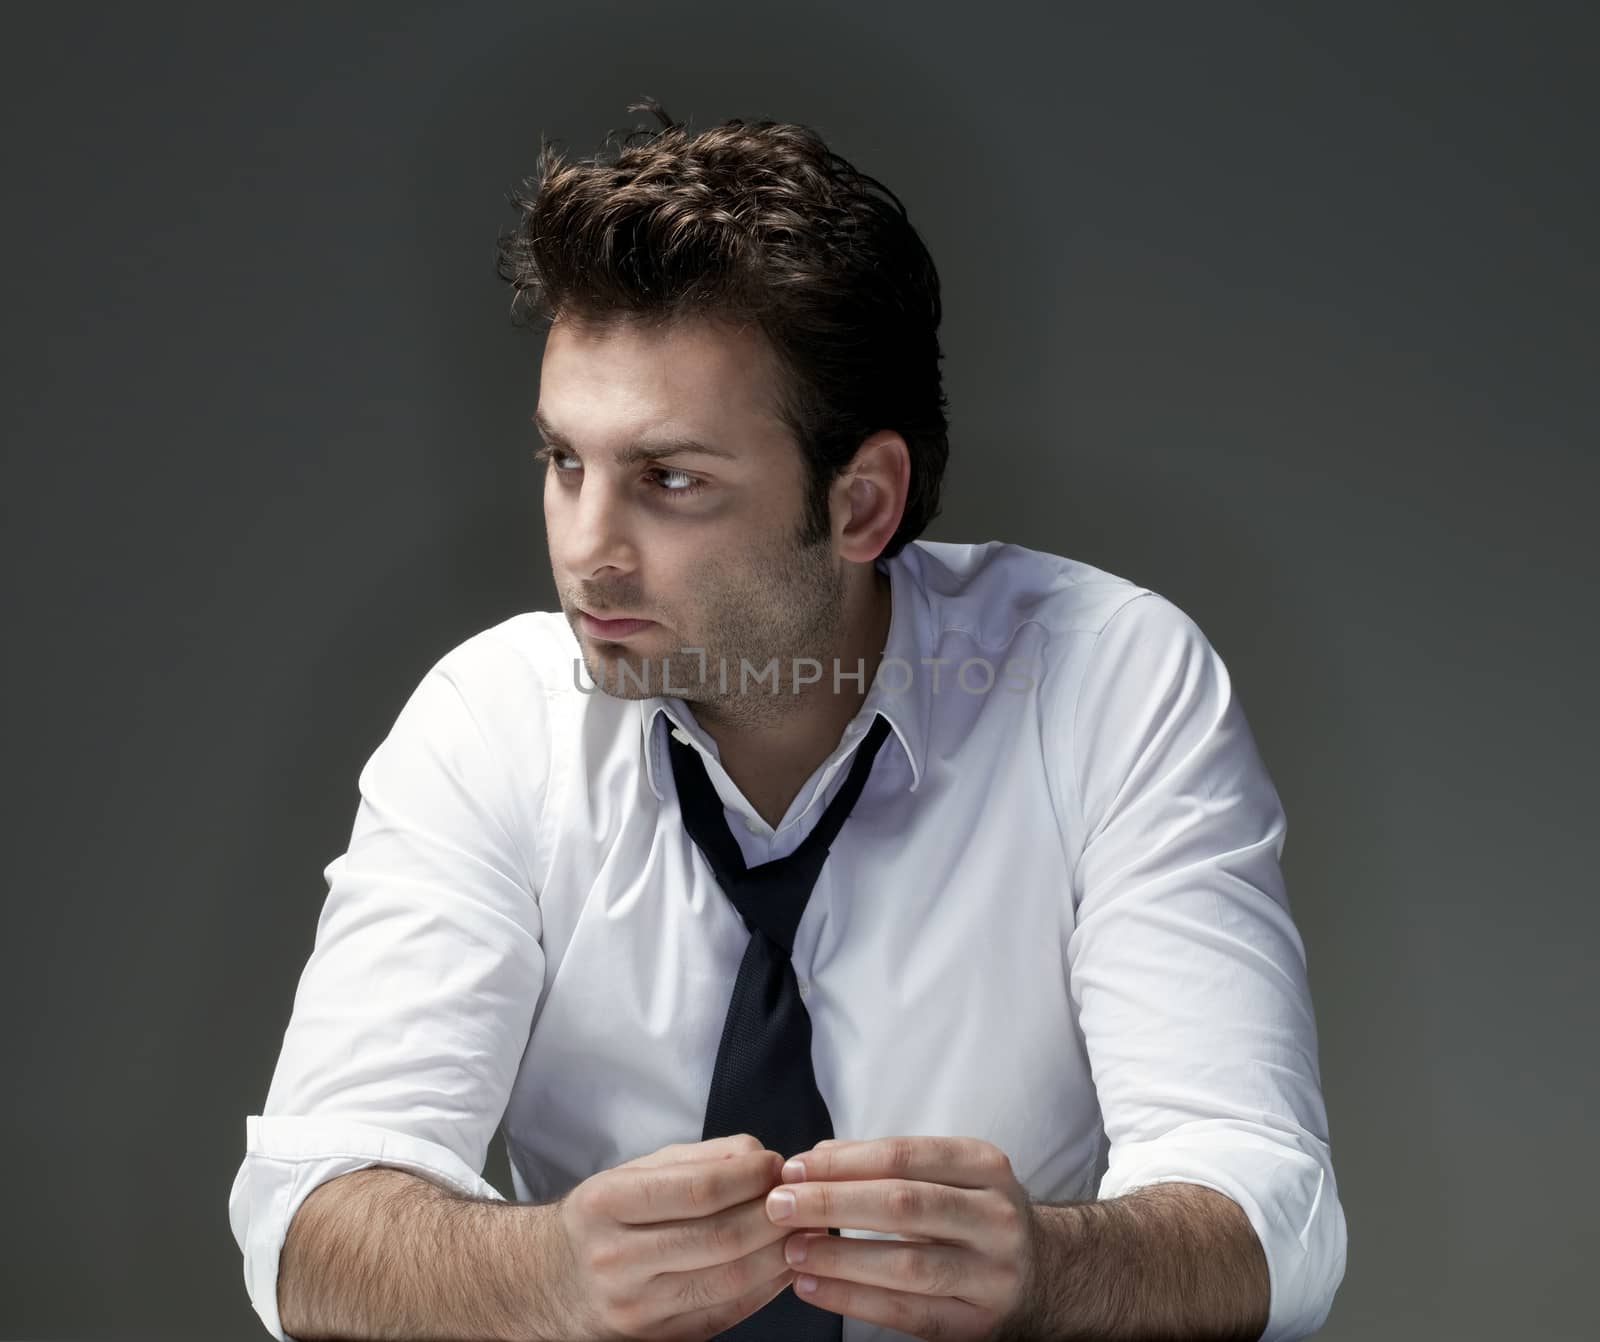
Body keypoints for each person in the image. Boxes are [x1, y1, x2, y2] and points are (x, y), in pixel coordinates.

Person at [228, 99, 1346, 1342]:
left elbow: (1270, 1210)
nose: (584, 550)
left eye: (671, 480)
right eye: (564, 463)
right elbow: (304, 1224)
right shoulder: (488, 723)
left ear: (862, 503)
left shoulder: (1107, 683)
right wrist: (544, 1275)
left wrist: (1051, 1268)